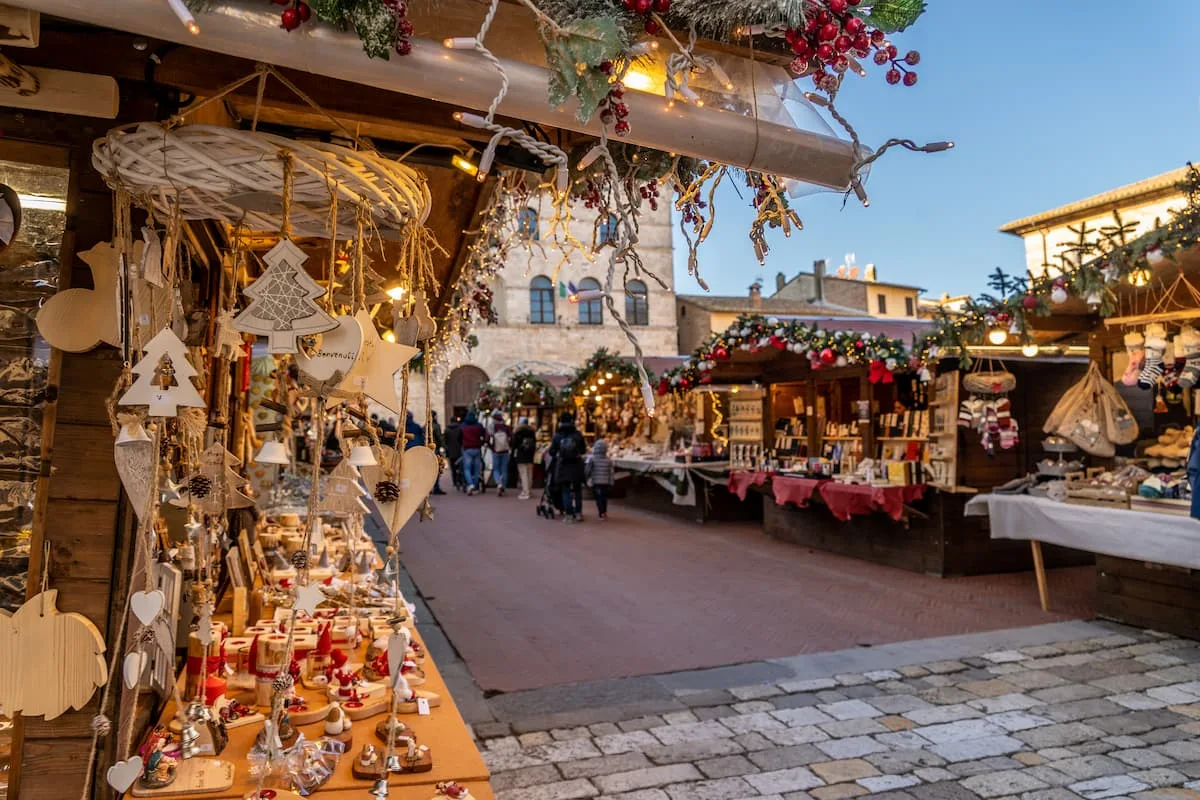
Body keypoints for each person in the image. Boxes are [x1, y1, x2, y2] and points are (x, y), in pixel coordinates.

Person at [549, 411, 586, 522]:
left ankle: (569, 514)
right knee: (577, 490)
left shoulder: (557, 435)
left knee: (565, 490)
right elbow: (583, 450)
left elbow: (552, 452)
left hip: (563, 465)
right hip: (576, 465)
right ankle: (579, 513)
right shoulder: (578, 434)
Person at [586, 439, 614, 520]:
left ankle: (601, 512)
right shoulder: (609, 460)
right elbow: (611, 472)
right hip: (606, 482)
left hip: (596, 481)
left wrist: (587, 477)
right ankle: (604, 512)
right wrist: (611, 481)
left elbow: (588, 470)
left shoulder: (592, 459)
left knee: (598, 498)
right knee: (604, 497)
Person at [460, 410, 486, 494]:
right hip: (477, 448)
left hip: (467, 449)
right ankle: (475, 485)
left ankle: (470, 484)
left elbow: (459, 437)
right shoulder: (479, 425)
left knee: (467, 468)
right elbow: (484, 435)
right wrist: (481, 443)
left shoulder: (463, 426)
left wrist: (462, 444)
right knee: (476, 469)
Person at [488, 411, 513, 496]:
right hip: (505, 450)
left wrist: (490, 447)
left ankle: (499, 483)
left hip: (495, 451)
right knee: (504, 469)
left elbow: (487, 439)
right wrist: (510, 446)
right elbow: (511, 437)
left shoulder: (492, 427)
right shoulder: (506, 427)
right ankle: (504, 486)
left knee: (496, 469)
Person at [512, 417, 537, 500]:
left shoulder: (518, 432)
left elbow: (514, 444)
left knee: (523, 474)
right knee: (530, 473)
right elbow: (534, 443)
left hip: (521, 454)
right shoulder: (532, 431)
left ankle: (525, 492)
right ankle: (529, 490)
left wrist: (513, 452)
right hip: (530, 454)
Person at [444, 415, 464, 492]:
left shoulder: (447, 429)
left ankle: (455, 482)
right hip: (459, 451)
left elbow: (445, 441)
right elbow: (461, 439)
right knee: (460, 467)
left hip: (450, 451)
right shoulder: (460, 429)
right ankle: (460, 481)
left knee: (453, 468)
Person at [431, 411, 446, 495]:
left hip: (427, 450)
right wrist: (443, 447)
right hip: (435, 449)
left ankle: (429, 487)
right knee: (437, 469)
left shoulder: (424, 426)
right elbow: (439, 438)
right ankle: (436, 487)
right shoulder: (436, 426)